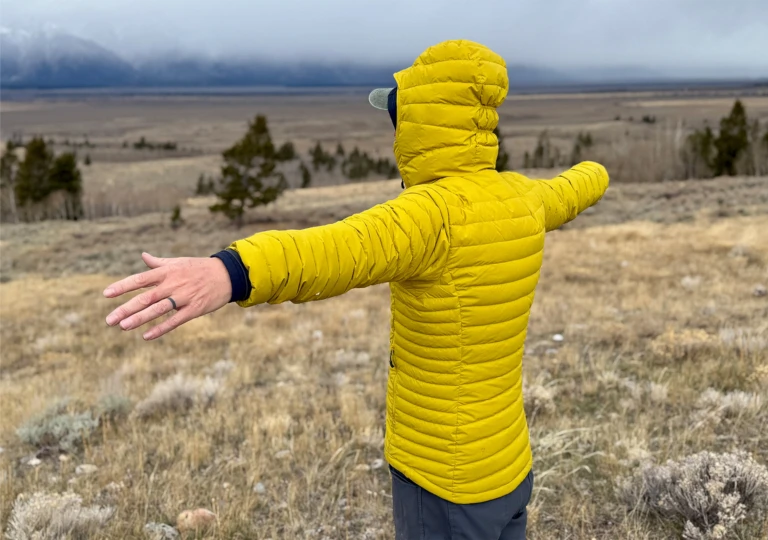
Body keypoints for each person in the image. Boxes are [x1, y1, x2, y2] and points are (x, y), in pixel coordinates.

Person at [103, 39, 609, 540]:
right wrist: (598, 170)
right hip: (508, 465)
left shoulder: (431, 215)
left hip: (442, 477)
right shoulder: (523, 198)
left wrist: (229, 272)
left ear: (416, 124)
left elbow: (334, 251)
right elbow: (574, 188)